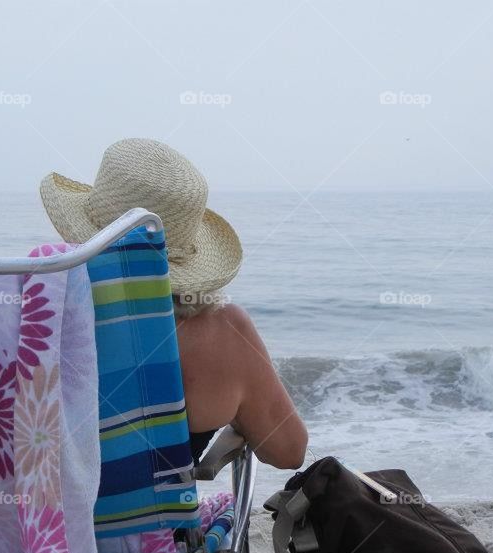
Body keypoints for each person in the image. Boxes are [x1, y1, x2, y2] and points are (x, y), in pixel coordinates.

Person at [39, 138, 308, 470]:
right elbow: (288, 451)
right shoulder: (223, 332)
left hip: (32, 520)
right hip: (158, 521)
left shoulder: (32, 318)